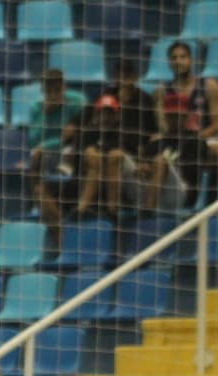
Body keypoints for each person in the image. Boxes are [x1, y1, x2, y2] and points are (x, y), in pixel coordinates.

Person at [146, 41, 218, 211]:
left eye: (183, 57)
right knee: (154, 148)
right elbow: (163, 127)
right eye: (174, 58)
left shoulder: (209, 86)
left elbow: (217, 124)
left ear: (191, 60)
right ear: (169, 63)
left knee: (213, 150)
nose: (178, 61)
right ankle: (157, 205)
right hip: (175, 139)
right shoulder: (162, 91)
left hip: (205, 137)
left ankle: (207, 203)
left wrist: (195, 137)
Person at [75, 60, 159, 219]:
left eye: (128, 74)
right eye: (120, 74)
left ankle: (112, 211)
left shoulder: (145, 100)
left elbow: (154, 134)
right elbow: (87, 119)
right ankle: (82, 210)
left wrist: (145, 158)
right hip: (104, 153)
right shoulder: (107, 96)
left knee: (114, 155)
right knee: (96, 156)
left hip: (131, 158)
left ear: (135, 77)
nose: (124, 78)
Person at [29, 69, 88, 248]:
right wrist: (46, 115)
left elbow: (82, 132)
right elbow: (34, 139)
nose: (54, 94)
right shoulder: (37, 108)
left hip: (73, 153)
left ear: (64, 87)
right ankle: (43, 206)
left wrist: (58, 141)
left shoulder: (77, 102)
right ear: (44, 91)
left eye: (57, 89)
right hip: (49, 155)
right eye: (49, 91)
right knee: (36, 157)